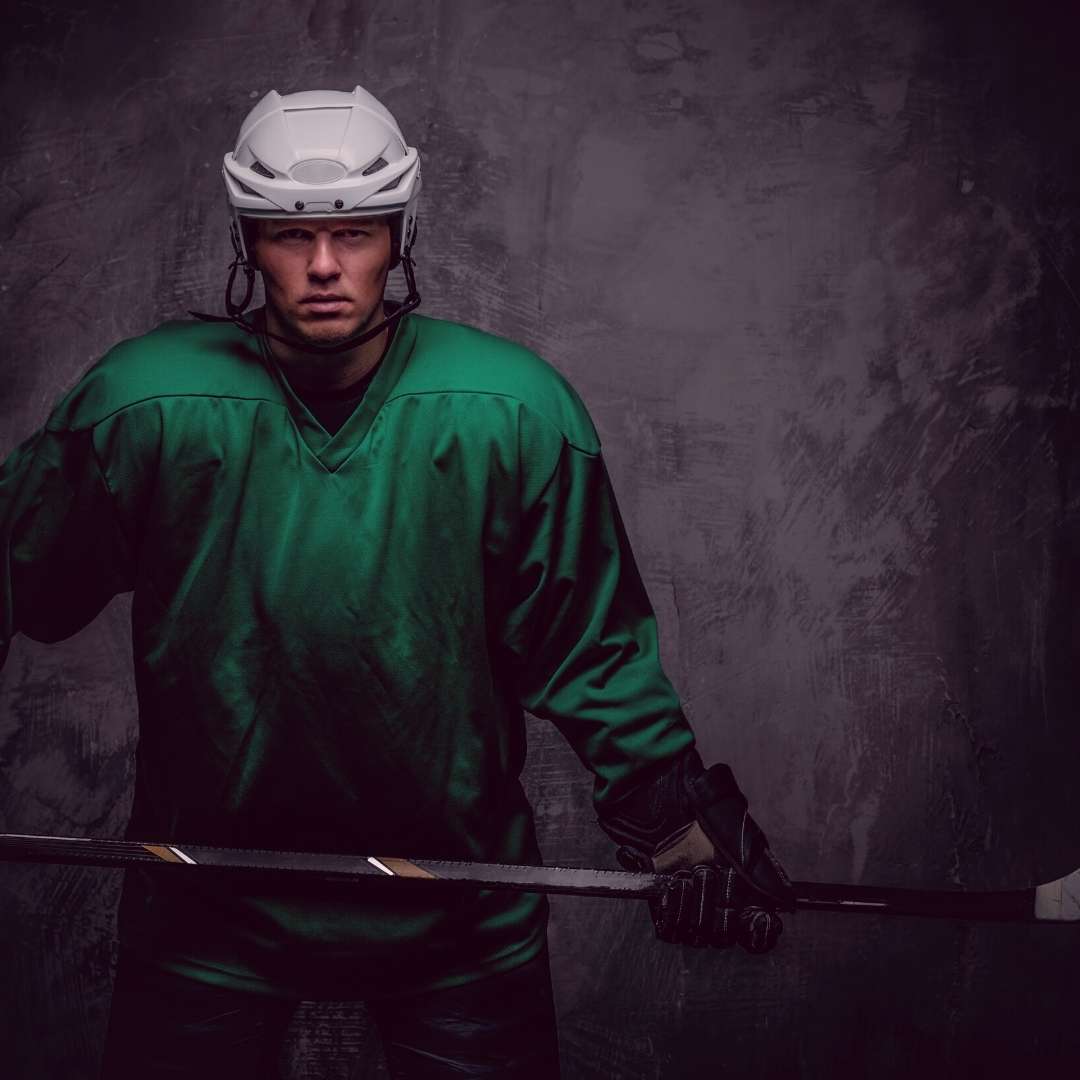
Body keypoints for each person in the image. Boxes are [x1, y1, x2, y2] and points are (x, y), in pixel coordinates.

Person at [0, 85, 794, 1079]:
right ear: (247, 238)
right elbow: (20, 577)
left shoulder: (514, 412)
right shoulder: (142, 404)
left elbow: (588, 643)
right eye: (291, 235)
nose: (325, 265)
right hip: (204, 915)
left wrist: (677, 824)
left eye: (356, 232)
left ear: (398, 235)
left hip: (456, 918)